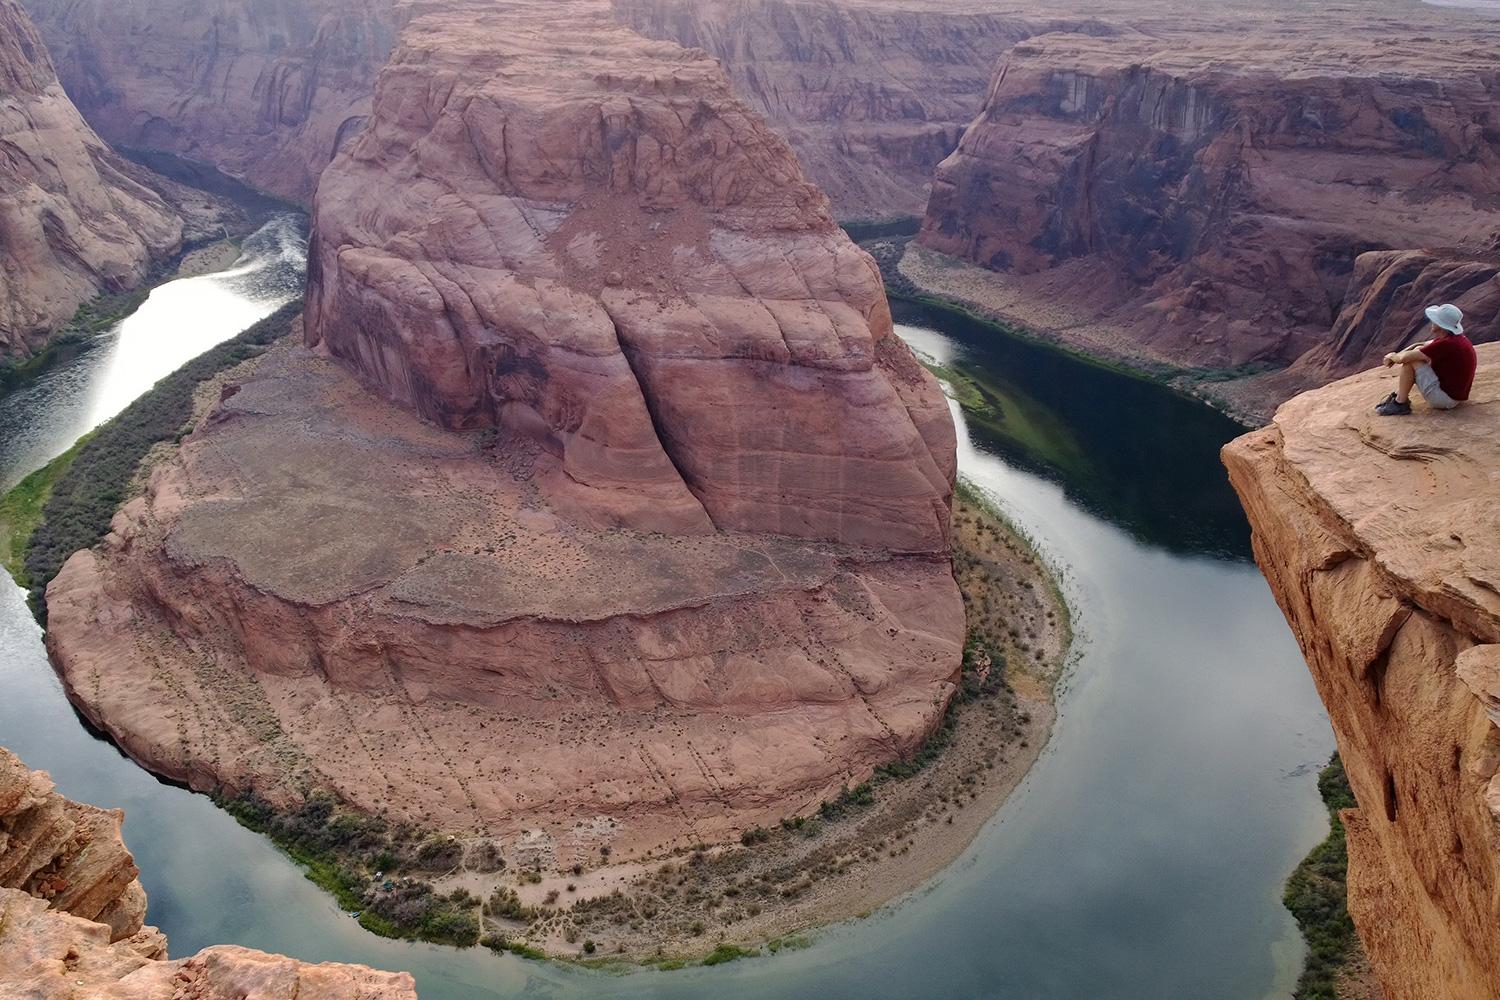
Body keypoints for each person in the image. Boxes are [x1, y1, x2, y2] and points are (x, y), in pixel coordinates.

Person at [1375, 303, 1478, 416]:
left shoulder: (1446, 344)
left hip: (1445, 400)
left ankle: (1400, 404)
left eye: (1434, 320)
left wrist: (1391, 357)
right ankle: (1399, 396)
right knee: (1418, 351)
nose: (1431, 321)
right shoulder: (1453, 339)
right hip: (1455, 395)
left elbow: (1404, 358)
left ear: (1440, 325)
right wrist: (1398, 354)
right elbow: (1420, 345)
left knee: (1412, 361)